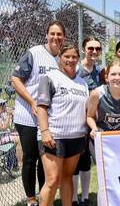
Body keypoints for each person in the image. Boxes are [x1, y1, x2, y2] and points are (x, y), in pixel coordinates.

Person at [11, 20, 65, 206]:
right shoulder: (34, 53)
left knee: (46, 160)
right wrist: (32, 101)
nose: (56, 37)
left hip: (48, 119)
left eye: (59, 34)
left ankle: (44, 197)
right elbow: (16, 80)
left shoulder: (62, 59)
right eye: (53, 33)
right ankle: (31, 199)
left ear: (64, 38)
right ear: (46, 35)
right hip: (27, 115)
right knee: (30, 158)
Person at [36, 44, 89, 206]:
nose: (70, 60)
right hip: (54, 137)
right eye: (67, 56)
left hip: (76, 137)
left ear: (78, 59)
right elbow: (41, 107)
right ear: (60, 58)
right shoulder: (50, 77)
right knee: (52, 180)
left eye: (74, 57)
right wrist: (45, 131)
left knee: (67, 178)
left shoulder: (82, 83)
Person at [72, 36, 103, 206]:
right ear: (84, 49)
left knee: (87, 160)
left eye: (97, 49)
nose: (94, 52)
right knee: (76, 159)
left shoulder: (100, 72)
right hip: (76, 121)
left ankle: (85, 197)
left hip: (93, 122)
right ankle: (74, 198)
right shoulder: (76, 70)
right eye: (91, 48)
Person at [87, 59, 120, 136]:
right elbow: (90, 116)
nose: (117, 77)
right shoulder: (97, 94)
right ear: (106, 77)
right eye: (113, 74)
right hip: (102, 138)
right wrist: (94, 128)